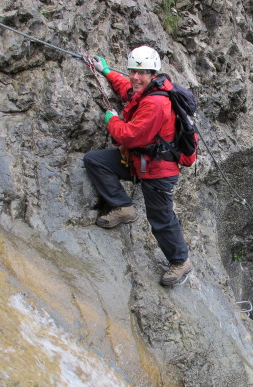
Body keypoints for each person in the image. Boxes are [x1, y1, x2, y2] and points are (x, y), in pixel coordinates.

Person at [82, 46, 193, 287]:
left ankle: (180, 261)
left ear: (153, 74)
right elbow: (127, 90)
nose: (135, 77)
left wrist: (112, 121)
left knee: (161, 219)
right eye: (132, 71)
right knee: (95, 161)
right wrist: (107, 71)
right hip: (139, 162)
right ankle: (123, 208)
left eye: (141, 73)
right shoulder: (148, 90)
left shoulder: (155, 103)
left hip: (158, 171)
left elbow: (131, 136)